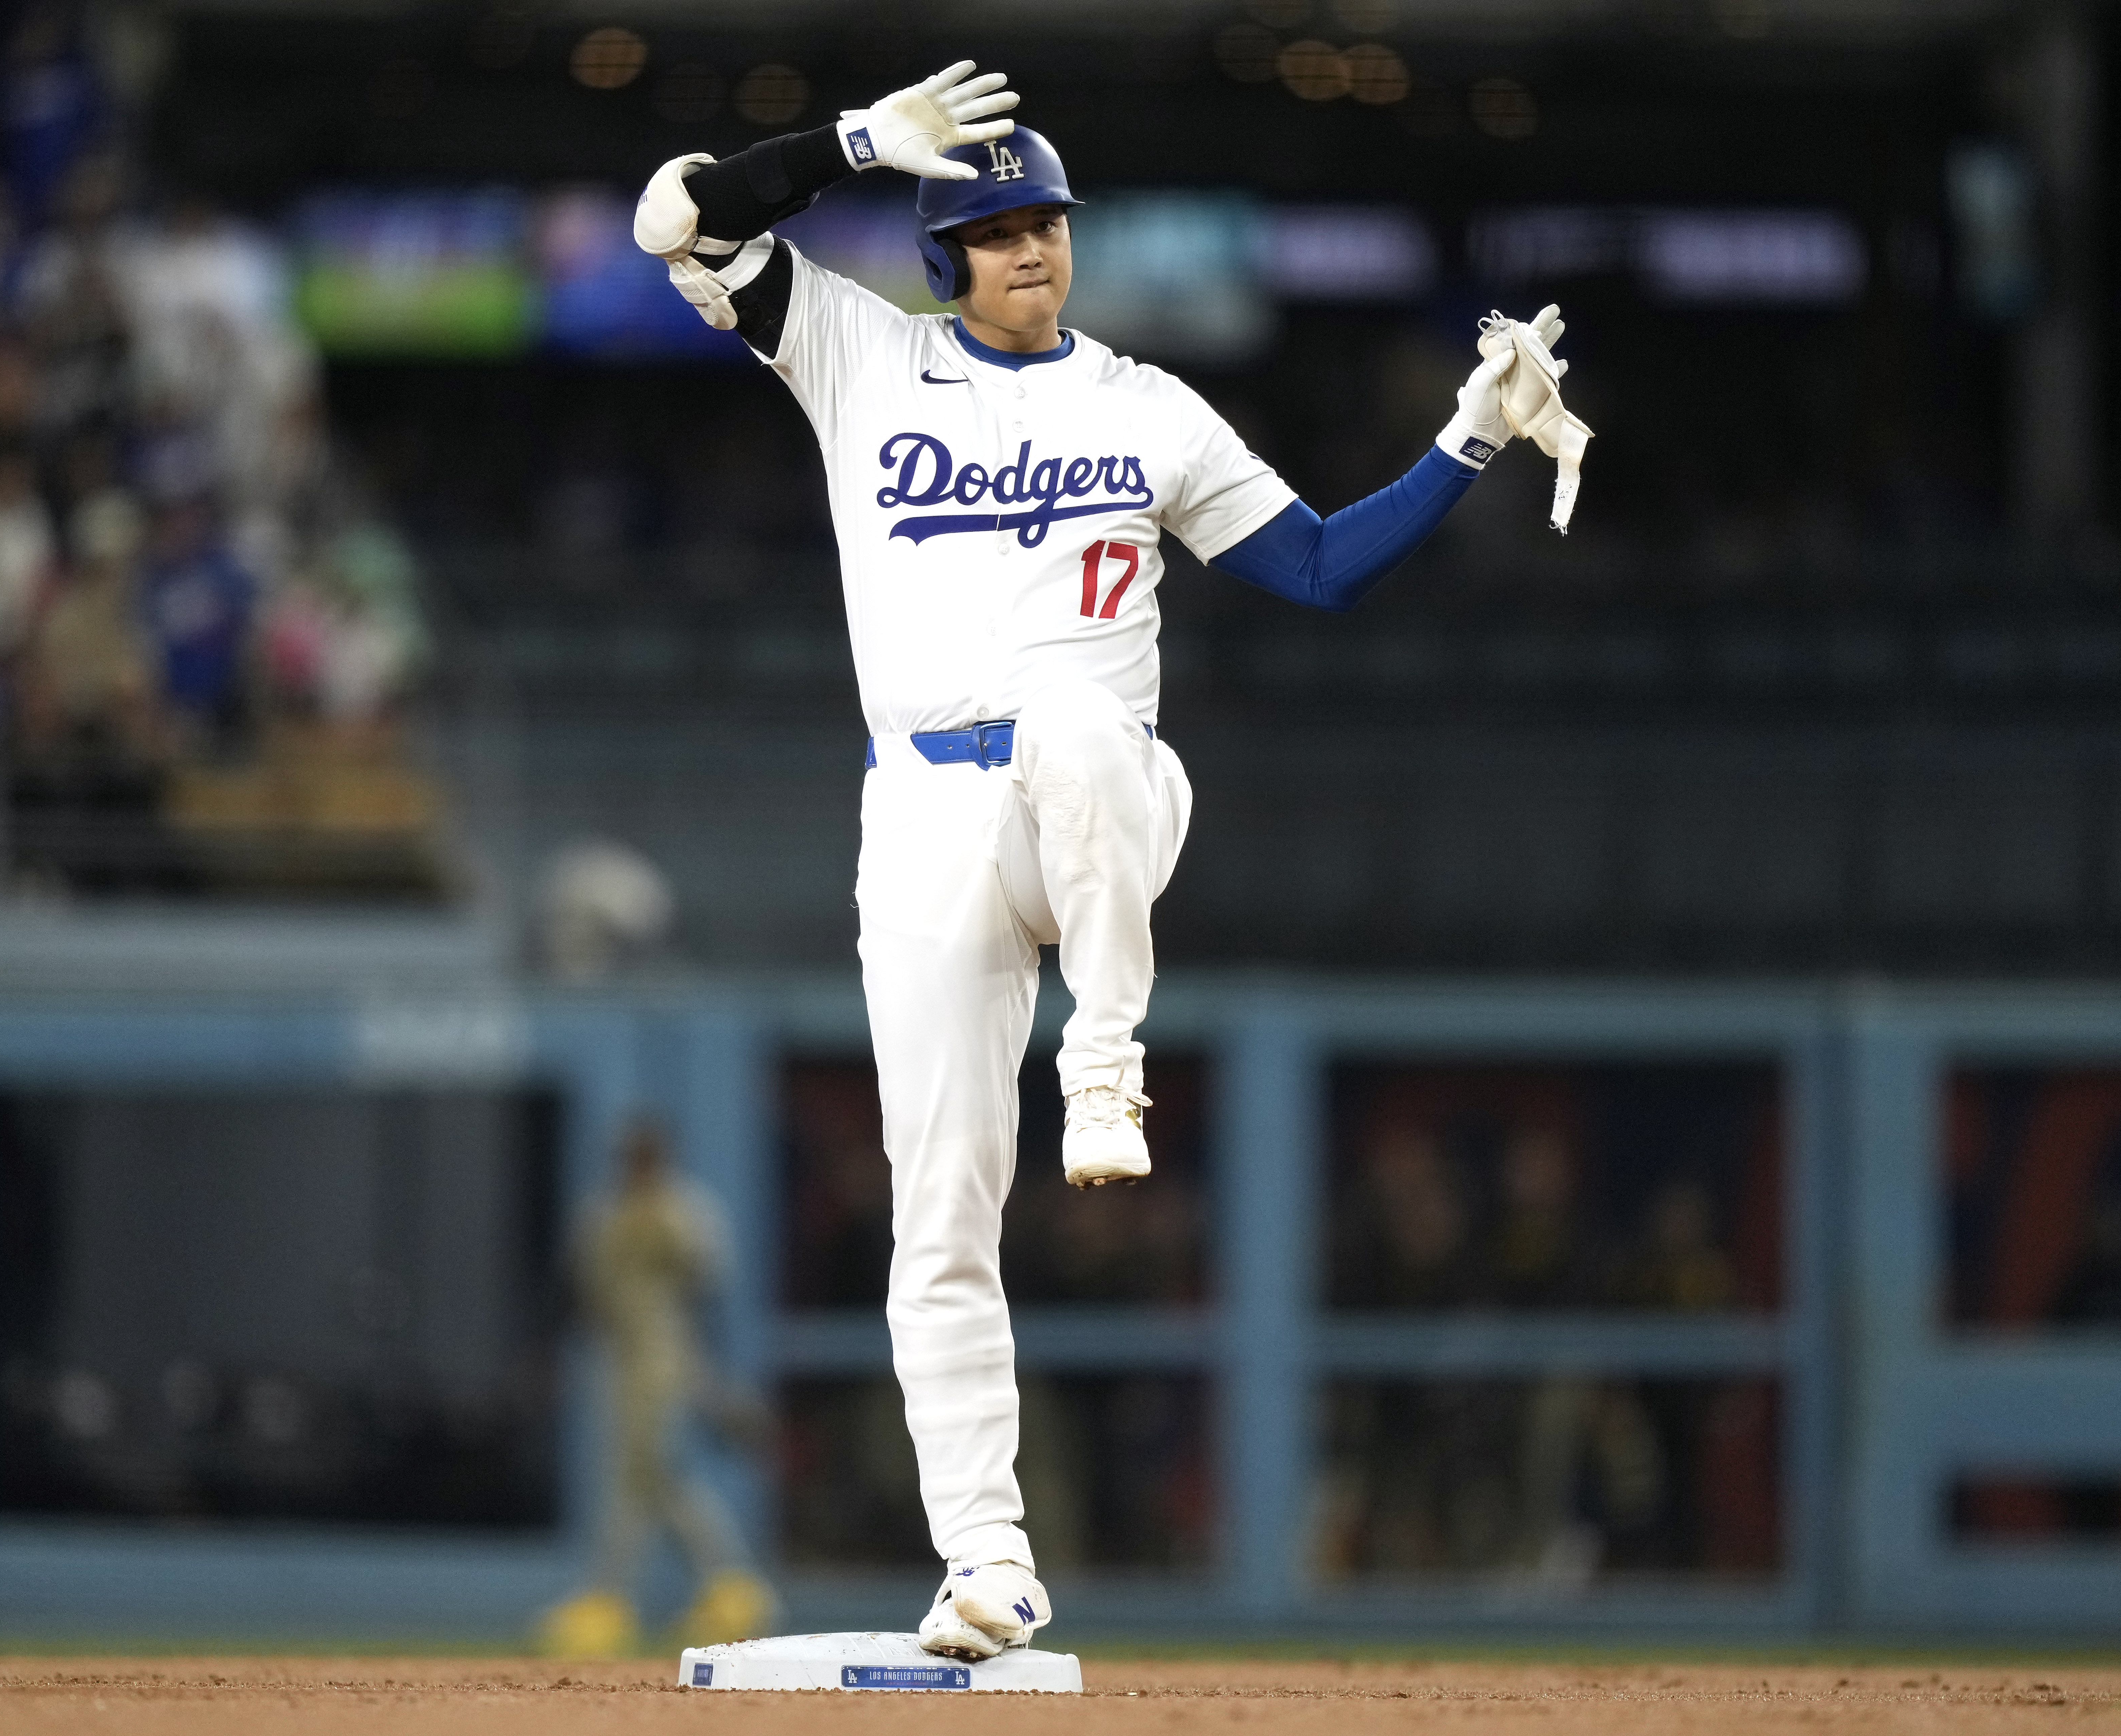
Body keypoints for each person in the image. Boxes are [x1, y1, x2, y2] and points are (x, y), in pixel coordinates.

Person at [633, 62, 1582, 1659]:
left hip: (1108, 805)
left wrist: (1466, 443)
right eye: (996, 232)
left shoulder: (1145, 403)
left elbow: (1325, 568)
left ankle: (1105, 1055)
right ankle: (987, 1565)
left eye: (1047, 227)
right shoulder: (861, 352)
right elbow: (673, 218)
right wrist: (850, 147)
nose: (1030, 253)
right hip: (926, 817)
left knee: (1076, 712)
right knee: (936, 1215)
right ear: (945, 255)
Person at [541, 1120, 774, 1657]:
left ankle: (611, 1599)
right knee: (649, 1474)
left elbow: (704, 1292)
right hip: (619, 1357)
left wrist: (710, 1379)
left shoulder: (684, 1211)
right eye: (629, 1155)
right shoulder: (603, 1211)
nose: (636, 1164)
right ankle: (730, 1588)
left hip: (665, 1355)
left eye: (644, 1155)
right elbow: (581, 1289)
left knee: (640, 1471)